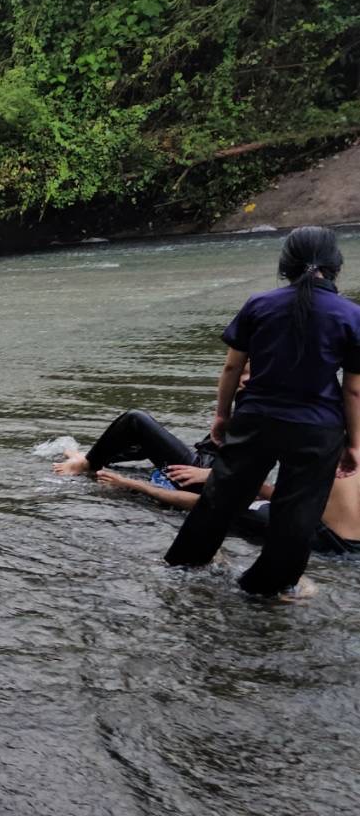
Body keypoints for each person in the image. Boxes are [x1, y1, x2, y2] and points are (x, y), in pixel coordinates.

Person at [164, 226, 360, 597]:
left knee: (221, 498)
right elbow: (352, 388)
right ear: (335, 265)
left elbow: (232, 369)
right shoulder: (351, 315)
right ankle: (264, 588)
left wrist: (222, 417)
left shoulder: (259, 304)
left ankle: (183, 567)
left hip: (256, 419)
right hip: (318, 427)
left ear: (285, 264)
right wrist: (354, 442)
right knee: (297, 512)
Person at [96, 465, 360, 556]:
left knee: (223, 508)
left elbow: (207, 505)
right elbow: (277, 492)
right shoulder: (347, 456)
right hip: (341, 538)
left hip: (330, 542)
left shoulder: (267, 516)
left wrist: (132, 485)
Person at [54, 410, 218, 486]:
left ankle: (86, 463)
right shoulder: (240, 403)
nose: (243, 379)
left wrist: (211, 474)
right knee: (143, 441)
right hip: (207, 461)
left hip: (203, 473)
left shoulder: (243, 407)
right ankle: (90, 456)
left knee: (136, 420)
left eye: (245, 374)